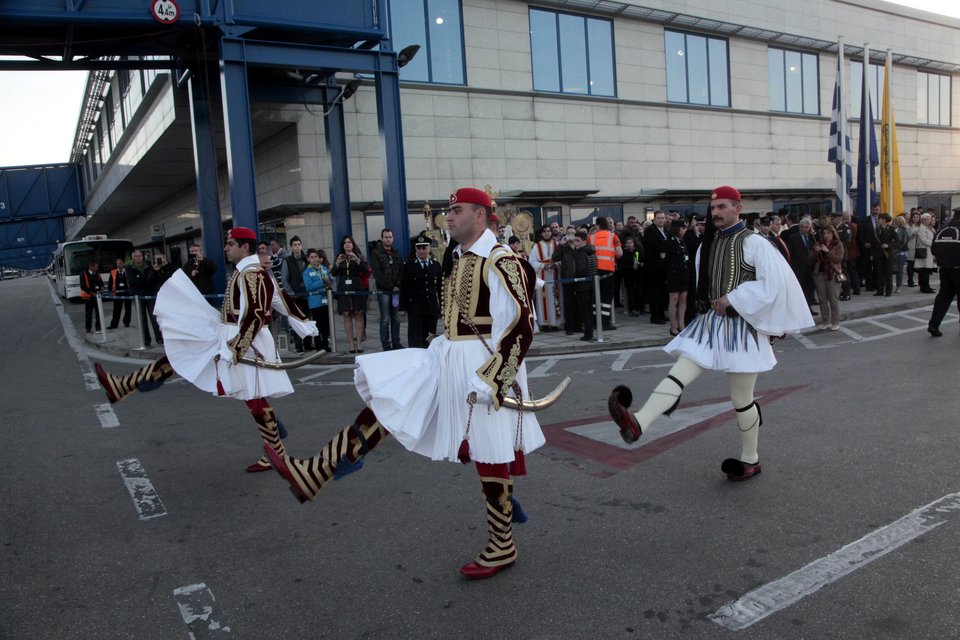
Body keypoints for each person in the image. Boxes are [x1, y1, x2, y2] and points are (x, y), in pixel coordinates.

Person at [264, 187, 545, 580]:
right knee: (391, 400)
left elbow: (520, 323)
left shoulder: (501, 259)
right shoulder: (459, 255)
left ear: (480, 216)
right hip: (448, 356)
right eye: (448, 211)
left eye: (456, 210)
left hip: (482, 367)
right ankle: (317, 469)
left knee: (490, 453)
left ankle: (502, 542)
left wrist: (495, 378)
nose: (448, 218)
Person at [607, 186, 813, 481]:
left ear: (738, 208)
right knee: (678, 373)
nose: (716, 213)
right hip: (711, 323)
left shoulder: (755, 243)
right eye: (714, 208)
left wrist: (736, 298)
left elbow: (773, 285)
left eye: (723, 207)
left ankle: (750, 459)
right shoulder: (708, 244)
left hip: (742, 328)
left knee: (741, 397)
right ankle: (639, 421)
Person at [94, 227, 318, 472]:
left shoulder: (253, 274)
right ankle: (123, 386)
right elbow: (281, 301)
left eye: (230, 244)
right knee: (190, 356)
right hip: (232, 335)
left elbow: (256, 315)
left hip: (246, 342)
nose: (225, 248)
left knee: (253, 397)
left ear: (244, 247)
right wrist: (306, 325)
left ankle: (277, 452)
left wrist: (236, 349)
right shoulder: (249, 271)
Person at [398, 235, 442, 348]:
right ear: (415, 250)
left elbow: (440, 288)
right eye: (419, 248)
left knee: (431, 337)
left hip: (431, 307)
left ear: (429, 249)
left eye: (424, 248)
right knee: (415, 338)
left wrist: (443, 306)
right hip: (416, 308)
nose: (421, 251)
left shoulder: (436, 265)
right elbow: (404, 287)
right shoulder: (409, 265)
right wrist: (403, 307)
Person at [332, 235, 370, 354]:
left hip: (357, 288)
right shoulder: (339, 257)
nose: (347, 244)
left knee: (358, 315)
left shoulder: (359, 256)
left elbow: (365, 271)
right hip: (344, 288)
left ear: (353, 244)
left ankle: (359, 342)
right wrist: (337, 263)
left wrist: (357, 260)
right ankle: (350, 344)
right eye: (345, 243)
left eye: (349, 242)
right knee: (347, 316)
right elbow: (333, 273)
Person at [370, 228, 404, 351]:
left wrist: (397, 285)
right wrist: (390, 286)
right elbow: (377, 273)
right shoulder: (376, 253)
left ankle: (396, 342)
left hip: (396, 292)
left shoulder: (397, 253)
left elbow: (401, 270)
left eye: (390, 237)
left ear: (393, 238)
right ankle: (386, 344)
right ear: (382, 238)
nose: (388, 239)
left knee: (396, 318)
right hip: (384, 291)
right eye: (386, 237)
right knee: (385, 318)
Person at [928, 208, 960, 337]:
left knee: (943, 298)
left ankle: (933, 325)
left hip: (944, 269)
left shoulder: (942, 230)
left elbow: (933, 249)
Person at [590, 216, 622, 330]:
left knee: (595, 297)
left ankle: (595, 322)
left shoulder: (591, 237)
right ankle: (605, 323)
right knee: (607, 298)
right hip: (608, 270)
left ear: (597, 225)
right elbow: (620, 253)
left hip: (594, 271)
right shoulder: (613, 236)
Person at [127, 250, 163, 347]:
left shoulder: (148, 265)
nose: (138, 258)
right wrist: (146, 279)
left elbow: (154, 279)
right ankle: (146, 340)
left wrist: (152, 274)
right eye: (136, 256)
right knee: (142, 319)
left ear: (142, 257)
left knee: (154, 318)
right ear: (132, 258)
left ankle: (159, 338)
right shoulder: (129, 268)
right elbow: (133, 281)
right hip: (138, 296)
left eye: (139, 256)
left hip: (150, 295)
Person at [528, 225, 561, 331]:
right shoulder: (536, 247)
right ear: (541, 233)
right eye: (545, 231)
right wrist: (543, 266)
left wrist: (557, 264)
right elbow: (532, 262)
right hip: (543, 275)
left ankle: (555, 322)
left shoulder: (558, 245)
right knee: (543, 300)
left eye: (548, 231)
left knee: (555, 297)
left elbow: (563, 259)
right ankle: (545, 324)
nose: (547, 233)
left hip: (555, 275)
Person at [812, 224, 845, 330]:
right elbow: (811, 259)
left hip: (833, 273)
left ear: (833, 234)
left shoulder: (838, 244)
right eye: (824, 233)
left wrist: (827, 251)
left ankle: (835, 322)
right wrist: (815, 252)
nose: (826, 236)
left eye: (828, 233)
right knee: (822, 299)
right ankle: (826, 321)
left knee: (833, 299)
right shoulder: (818, 243)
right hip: (820, 273)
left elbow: (838, 259)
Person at [281, 236, 310, 353]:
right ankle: (299, 345)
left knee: (308, 319)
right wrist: (291, 293)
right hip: (295, 295)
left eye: (299, 244)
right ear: (291, 247)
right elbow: (284, 279)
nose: (297, 247)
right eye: (295, 245)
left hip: (307, 294)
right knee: (297, 320)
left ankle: (308, 343)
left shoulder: (306, 259)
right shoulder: (287, 261)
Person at [302, 248, 333, 352]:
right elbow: (309, 286)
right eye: (312, 257)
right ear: (308, 259)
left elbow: (331, 280)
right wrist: (322, 282)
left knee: (326, 324)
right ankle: (318, 344)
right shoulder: (307, 272)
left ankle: (325, 343)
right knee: (317, 324)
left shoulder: (323, 268)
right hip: (315, 302)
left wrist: (329, 281)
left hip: (325, 300)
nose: (314, 259)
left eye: (316, 257)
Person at [552, 229, 581, 335]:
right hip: (567, 279)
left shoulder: (579, 246)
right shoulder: (564, 247)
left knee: (578, 303)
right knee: (568, 304)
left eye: (572, 234)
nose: (570, 236)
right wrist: (561, 245)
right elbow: (554, 257)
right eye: (568, 234)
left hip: (579, 279)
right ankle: (569, 326)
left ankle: (578, 325)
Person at [664, 219, 690, 336]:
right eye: (683, 228)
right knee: (673, 300)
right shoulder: (669, 242)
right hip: (673, 275)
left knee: (683, 300)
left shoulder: (682, 241)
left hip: (683, 273)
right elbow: (666, 260)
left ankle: (681, 324)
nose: (684, 231)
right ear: (677, 229)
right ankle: (673, 326)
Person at [642, 210, 669, 325]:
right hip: (653, 266)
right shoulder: (650, 230)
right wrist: (666, 246)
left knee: (662, 292)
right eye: (659, 218)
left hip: (662, 266)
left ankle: (662, 314)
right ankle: (655, 316)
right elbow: (655, 246)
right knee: (654, 292)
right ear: (654, 219)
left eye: (663, 218)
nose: (661, 220)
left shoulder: (665, 230)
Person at [572, 230, 598, 341]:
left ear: (584, 241)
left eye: (577, 241)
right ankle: (590, 332)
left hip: (583, 286)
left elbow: (581, 270)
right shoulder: (591, 251)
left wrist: (574, 277)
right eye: (574, 241)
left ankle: (588, 334)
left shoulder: (581, 253)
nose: (575, 243)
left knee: (584, 311)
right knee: (589, 311)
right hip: (591, 285)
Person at [872, 214, 898, 297]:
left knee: (888, 273)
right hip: (879, 253)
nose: (878, 220)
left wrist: (888, 245)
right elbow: (875, 243)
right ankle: (880, 290)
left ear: (884, 220)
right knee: (879, 272)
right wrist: (872, 254)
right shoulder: (877, 229)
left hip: (887, 254)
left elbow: (897, 241)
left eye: (879, 219)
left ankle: (888, 291)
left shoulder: (891, 229)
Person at [617, 236, 644, 317]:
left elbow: (638, 261)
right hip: (628, 276)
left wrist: (640, 264)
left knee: (638, 292)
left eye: (631, 243)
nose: (629, 245)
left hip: (637, 275)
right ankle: (632, 309)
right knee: (630, 293)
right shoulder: (624, 253)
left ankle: (639, 307)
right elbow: (622, 266)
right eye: (627, 243)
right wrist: (631, 267)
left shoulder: (636, 251)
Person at [915, 213, 937, 293]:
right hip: (925, 251)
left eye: (928, 219)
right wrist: (933, 244)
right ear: (922, 220)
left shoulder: (929, 228)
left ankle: (926, 286)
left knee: (927, 270)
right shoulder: (922, 228)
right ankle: (925, 287)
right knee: (925, 270)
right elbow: (923, 240)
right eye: (925, 219)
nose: (927, 221)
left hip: (929, 251)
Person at [107, 258, 132, 329]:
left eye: (120, 263)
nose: (119, 265)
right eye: (118, 263)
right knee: (116, 309)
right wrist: (110, 293)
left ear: (123, 264)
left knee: (128, 308)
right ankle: (114, 324)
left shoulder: (128, 271)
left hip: (127, 293)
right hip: (117, 294)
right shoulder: (113, 272)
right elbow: (110, 283)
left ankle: (126, 322)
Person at [80, 259, 104, 333]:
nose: (97, 268)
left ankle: (98, 326)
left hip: (97, 296)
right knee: (89, 313)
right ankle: (88, 328)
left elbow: (101, 282)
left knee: (98, 312)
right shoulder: (83, 274)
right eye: (96, 267)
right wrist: (91, 292)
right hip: (88, 297)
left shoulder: (97, 274)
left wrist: (101, 288)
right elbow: (83, 286)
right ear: (91, 266)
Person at [892, 215, 909, 293]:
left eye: (895, 221)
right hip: (892, 252)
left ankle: (898, 286)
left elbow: (904, 242)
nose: (893, 223)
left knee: (899, 270)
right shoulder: (892, 230)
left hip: (901, 252)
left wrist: (896, 248)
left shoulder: (904, 231)